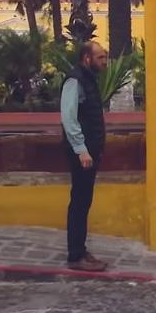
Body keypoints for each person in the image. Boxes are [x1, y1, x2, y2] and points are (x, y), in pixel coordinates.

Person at [60, 41, 109, 272]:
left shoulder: (88, 79)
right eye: (100, 58)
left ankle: (80, 249)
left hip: (91, 151)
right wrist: (82, 150)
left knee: (84, 201)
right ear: (87, 58)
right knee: (79, 202)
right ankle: (75, 255)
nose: (104, 62)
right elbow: (69, 119)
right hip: (82, 154)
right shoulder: (74, 80)